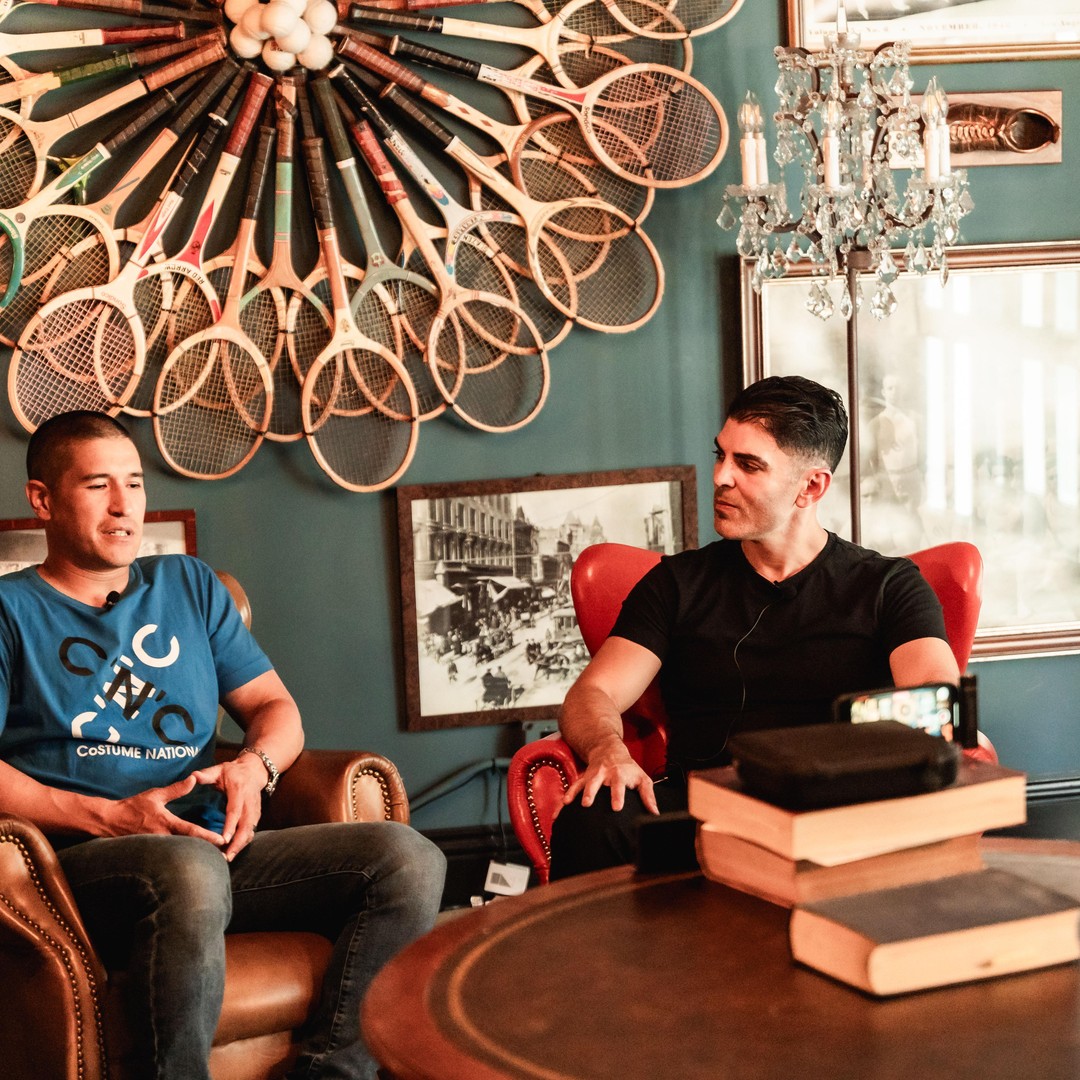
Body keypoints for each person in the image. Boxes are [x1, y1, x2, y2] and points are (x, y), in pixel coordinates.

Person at [0, 411, 446, 1080]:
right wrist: (111, 817)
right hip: (79, 868)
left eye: (134, 483)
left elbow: (275, 709)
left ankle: (332, 1075)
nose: (124, 505)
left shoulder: (188, 585)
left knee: (407, 859)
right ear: (43, 499)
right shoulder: (10, 611)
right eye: (97, 485)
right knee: (188, 870)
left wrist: (252, 769)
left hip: (214, 846)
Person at [549, 376, 960, 880]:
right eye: (720, 455)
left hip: (835, 812)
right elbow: (593, 693)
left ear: (811, 487)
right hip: (702, 810)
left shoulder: (888, 586)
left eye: (748, 464)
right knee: (592, 819)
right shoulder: (676, 584)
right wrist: (607, 749)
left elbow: (934, 696)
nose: (721, 477)